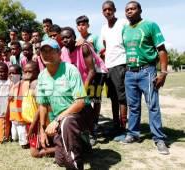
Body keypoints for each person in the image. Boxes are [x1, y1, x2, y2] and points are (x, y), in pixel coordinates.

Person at [121, 1, 169, 155]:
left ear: (140, 10)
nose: (129, 11)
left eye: (133, 8)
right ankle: (133, 134)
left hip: (147, 71)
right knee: (133, 107)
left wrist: (163, 72)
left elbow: (161, 49)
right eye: (127, 9)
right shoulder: (125, 29)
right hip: (129, 72)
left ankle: (159, 138)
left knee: (153, 105)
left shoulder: (150, 25)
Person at [37, 39, 92, 170]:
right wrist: (42, 130)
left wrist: (57, 119)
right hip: (60, 120)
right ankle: (83, 145)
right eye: (44, 51)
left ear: (59, 53)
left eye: (51, 51)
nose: (47, 54)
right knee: (61, 160)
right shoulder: (42, 76)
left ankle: (75, 166)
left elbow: (80, 102)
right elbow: (43, 105)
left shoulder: (70, 70)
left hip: (79, 114)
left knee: (67, 122)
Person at [60, 27, 108, 146]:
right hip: (81, 76)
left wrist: (82, 90)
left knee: (93, 100)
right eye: (63, 38)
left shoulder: (83, 47)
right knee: (83, 103)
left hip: (97, 73)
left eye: (68, 37)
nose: (65, 40)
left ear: (74, 37)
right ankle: (87, 128)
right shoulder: (63, 51)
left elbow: (92, 70)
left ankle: (93, 129)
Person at [101, 0, 129, 141]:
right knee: (113, 97)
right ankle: (115, 125)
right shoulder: (104, 27)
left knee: (121, 97)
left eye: (110, 9)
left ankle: (124, 128)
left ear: (114, 10)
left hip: (120, 64)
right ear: (102, 12)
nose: (107, 12)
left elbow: (128, 41)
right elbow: (106, 44)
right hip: (108, 66)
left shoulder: (123, 23)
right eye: (105, 10)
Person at [22, 61, 56, 158]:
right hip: (30, 122)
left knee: (35, 153)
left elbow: (40, 107)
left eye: (30, 71)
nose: (27, 74)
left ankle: (62, 149)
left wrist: (33, 126)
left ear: (37, 72)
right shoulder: (28, 83)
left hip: (36, 123)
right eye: (25, 72)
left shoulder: (37, 85)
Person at [9, 64, 29, 148]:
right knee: (14, 129)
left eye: (13, 73)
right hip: (13, 114)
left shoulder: (22, 84)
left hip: (20, 114)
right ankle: (15, 139)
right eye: (9, 73)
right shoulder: (11, 85)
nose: (11, 75)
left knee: (21, 129)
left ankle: (24, 143)